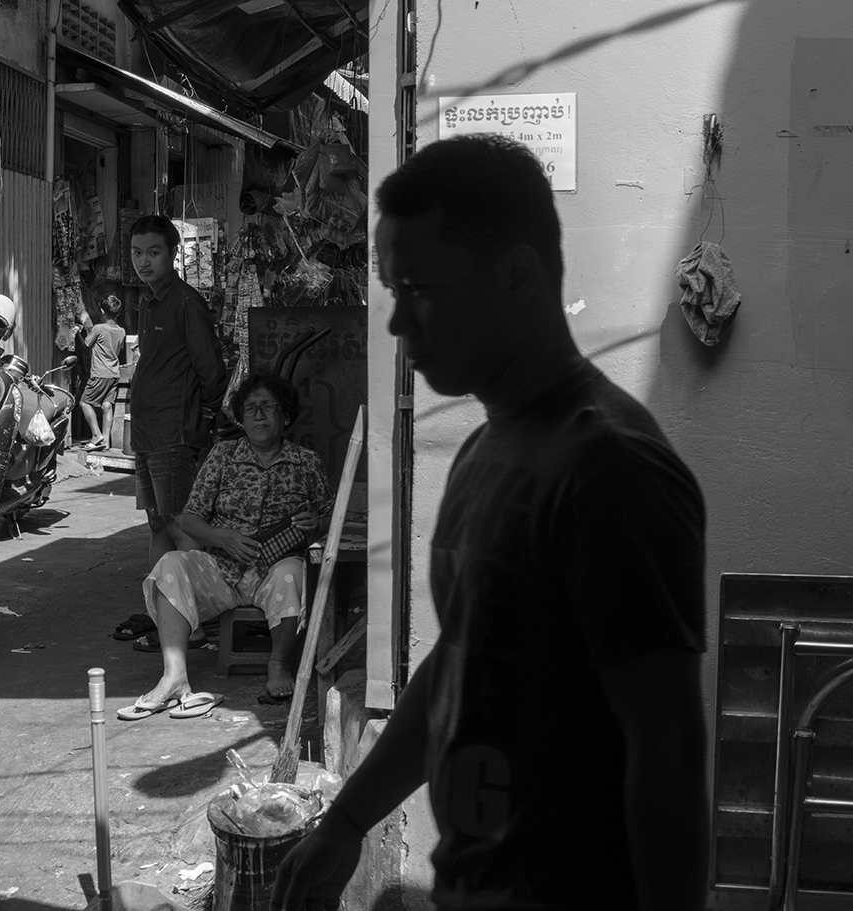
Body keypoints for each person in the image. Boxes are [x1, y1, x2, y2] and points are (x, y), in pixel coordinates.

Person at [272, 135, 708, 911]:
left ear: (516, 275)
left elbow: (666, 750)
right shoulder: (486, 450)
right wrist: (344, 821)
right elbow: (461, 661)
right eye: (391, 290)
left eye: (419, 289)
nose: (398, 321)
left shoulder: (611, 470)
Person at [117, 374, 333, 720]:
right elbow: (190, 520)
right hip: (220, 570)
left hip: (274, 572)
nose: (259, 416)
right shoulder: (222, 456)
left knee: (294, 572)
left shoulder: (306, 463)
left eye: (267, 408)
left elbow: (328, 517)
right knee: (170, 565)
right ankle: (174, 676)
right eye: (250, 409)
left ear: (286, 416)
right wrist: (224, 538)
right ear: (241, 418)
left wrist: (315, 524)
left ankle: (278, 665)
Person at [127, 215, 227, 569]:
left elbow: (212, 371)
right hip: (146, 433)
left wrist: (202, 420)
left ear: (173, 253)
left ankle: (196, 617)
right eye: (137, 253)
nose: (143, 262)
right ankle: (161, 607)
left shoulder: (186, 302)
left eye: (153, 252)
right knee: (157, 523)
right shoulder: (147, 302)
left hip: (173, 434)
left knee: (181, 524)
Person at [76, 296, 126, 451]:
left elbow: (86, 344)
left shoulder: (98, 328)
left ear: (103, 311)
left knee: (84, 402)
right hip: (114, 373)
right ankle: (106, 443)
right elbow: (120, 350)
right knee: (106, 405)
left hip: (99, 373)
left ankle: (96, 435)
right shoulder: (122, 331)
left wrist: (76, 332)